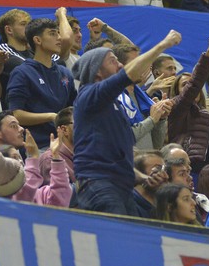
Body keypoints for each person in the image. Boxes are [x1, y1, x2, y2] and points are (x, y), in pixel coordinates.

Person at [71, 30, 182, 216]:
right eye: (113, 60)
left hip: (121, 187)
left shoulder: (113, 105)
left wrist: (144, 177)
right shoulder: (89, 94)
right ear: (97, 70)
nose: (121, 64)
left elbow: (122, 148)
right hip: (100, 186)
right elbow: (128, 75)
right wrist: (163, 44)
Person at [8, 17, 77, 149]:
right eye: (52, 33)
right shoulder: (22, 72)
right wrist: (50, 116)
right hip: (38, 146)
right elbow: (16, 114)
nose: (59, 38)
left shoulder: (65, 72)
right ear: (37, 40)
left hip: (67, 145)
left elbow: (73, 107)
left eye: (58, 33)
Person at [168, 31, 209, 176]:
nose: (194, 88)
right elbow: (195, 83)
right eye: (184, 85)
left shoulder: (205, 114)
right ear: (177, 91)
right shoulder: (175, 108)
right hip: (184, 170)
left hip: (206, 172)